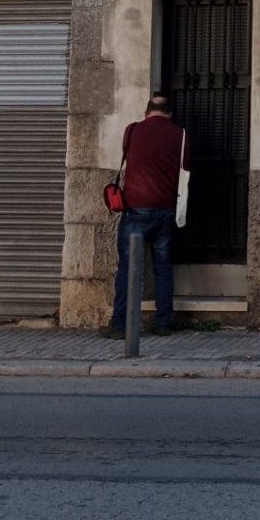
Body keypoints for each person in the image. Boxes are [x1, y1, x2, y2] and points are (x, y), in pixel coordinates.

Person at [107, 93, 190, 337]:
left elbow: (126, 157)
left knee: (127, 267)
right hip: (166, 210)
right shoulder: (181, 135)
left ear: (146, 113)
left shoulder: (132, 130)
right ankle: (163, 322)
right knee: (162, 267)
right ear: (169, 114)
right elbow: (186, 170)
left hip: (135, 209)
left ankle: (120, 324)